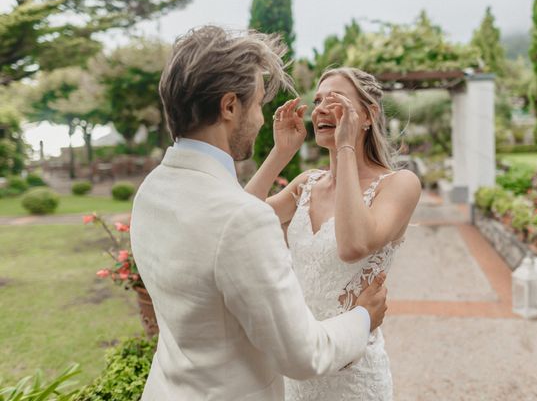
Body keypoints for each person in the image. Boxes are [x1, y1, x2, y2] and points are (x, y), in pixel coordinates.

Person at [130, 27, 388, 401]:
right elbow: (303, 355)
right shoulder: (241, 219)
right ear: (230, 106)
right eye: (257, 105)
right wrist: (364, 316)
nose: (260, 118)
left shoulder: (151, 190)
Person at [245, 67, 422, 400]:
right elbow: (241, 219)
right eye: (317, 100)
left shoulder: (399, 184)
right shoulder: (306, 185)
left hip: (353, 377)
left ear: (367, 116)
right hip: (298, 361)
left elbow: (353, 246)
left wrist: (345, 149)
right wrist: (280, 153)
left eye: (335, 99)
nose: (320, 108)